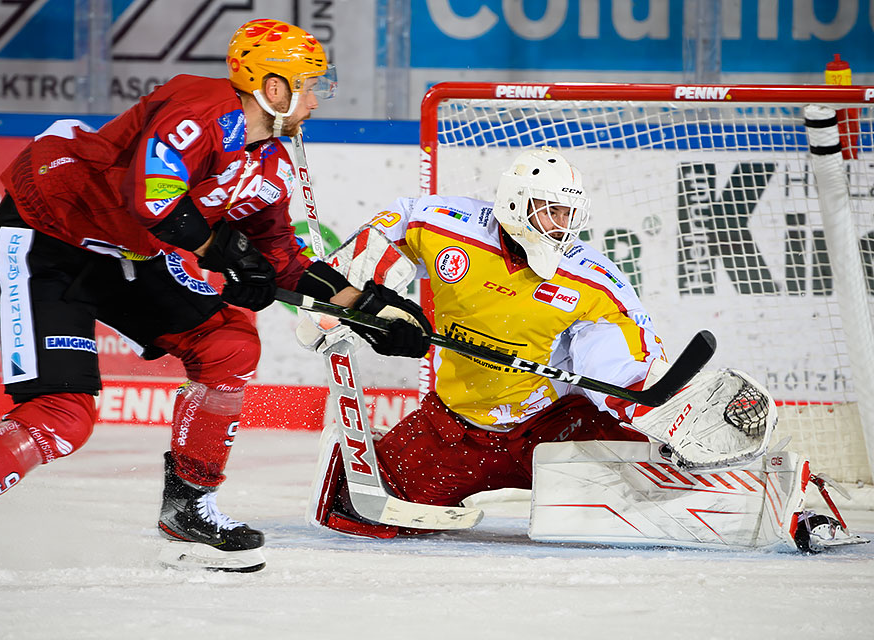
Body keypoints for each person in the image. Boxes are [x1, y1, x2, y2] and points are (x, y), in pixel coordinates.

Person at [0, 18, 430, 588]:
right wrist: (223, 249)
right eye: (308, 85)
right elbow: (154, 199)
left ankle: (186, 509)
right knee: (63, 415)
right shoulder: (200, 107)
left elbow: (281, 258)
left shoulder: (268, 164)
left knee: (227, 342)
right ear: (273, 87)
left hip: (125, 252)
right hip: (48, 236)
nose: (315, 100)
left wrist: (371, 309)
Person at [306, 147, 856, 551]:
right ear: (517, 205)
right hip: (456, 427)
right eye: (549, 210)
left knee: (666, 489)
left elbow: (624, 366)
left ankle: (797, 502)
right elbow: (393, 227)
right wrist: (357, 300)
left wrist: (659, 405)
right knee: (357, 510)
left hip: (557, 423)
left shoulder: (593, 281)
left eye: (568, 213)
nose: (562, 225)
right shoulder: (448, 225)